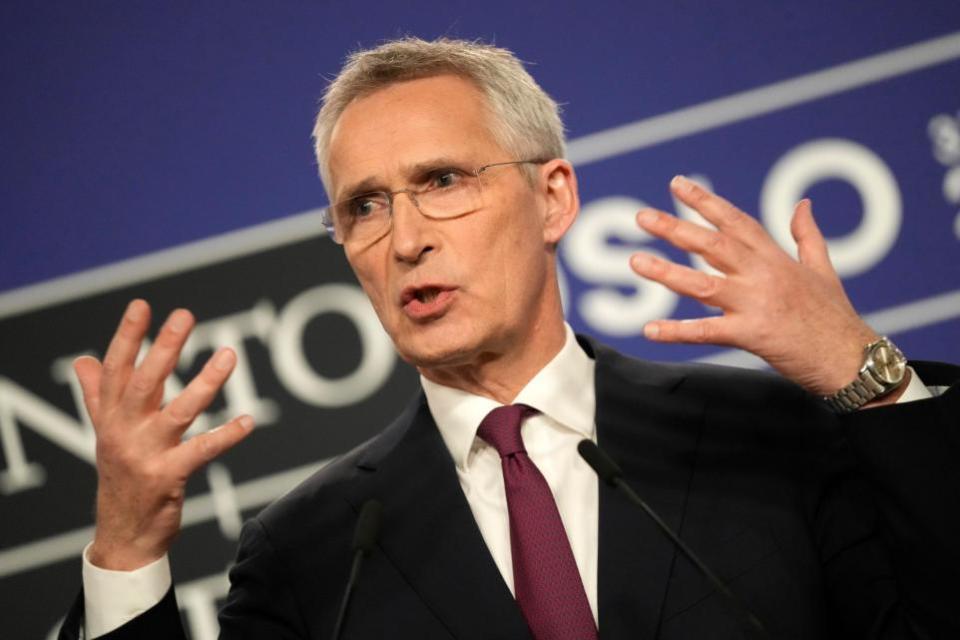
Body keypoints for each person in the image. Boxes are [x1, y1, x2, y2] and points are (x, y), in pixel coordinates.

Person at [59, 38, 958, 639]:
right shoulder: (310, 551)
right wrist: (128, 551)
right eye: (364, 206)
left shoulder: (766, 435)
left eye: (443, 179)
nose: (405, 238)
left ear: (554, 197)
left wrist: (866, 378)